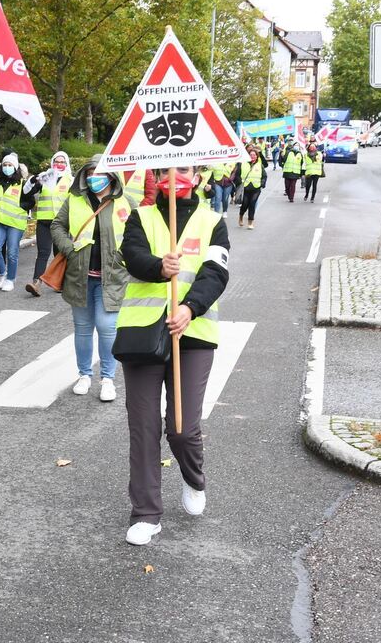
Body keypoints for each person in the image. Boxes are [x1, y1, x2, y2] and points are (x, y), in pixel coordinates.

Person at [116, 164, 230, 546]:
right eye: (166, 170)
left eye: (183, 169)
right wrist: (157, 267)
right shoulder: (141, 215)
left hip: (192, 333)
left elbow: (215, 272)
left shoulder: (212, 220)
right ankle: (146, 513)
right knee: (143, 426)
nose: (174, 175)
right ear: (156, 177)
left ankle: (194, 479)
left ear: (197, 176)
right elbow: (130, 255)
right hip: (143, 334)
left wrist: (190, 308)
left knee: (181, 429)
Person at [50, 155, 131, 403]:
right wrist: (70, 250)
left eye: (100, 174)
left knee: (107, 328)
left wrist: (122, 258)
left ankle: (107, 378)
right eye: (90, 174)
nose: (94, 178)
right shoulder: (74, 200)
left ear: (111, 177)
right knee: (83, 329)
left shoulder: (126, 203)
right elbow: (57, 226)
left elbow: (136, 234)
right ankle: (84, 374)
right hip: (80, 276)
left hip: (112, 277)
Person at [21, 150, 71, 297]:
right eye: (56, 161)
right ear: (52, 163)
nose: (59, 164)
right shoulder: (45, 177)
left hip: (61, 223)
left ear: (66, 164)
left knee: (59, 254)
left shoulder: (71, 180)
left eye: (62, 162)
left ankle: (60, 282)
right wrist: (32, 180)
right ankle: (36, 283)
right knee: (43, 253)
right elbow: (26, 192)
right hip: (44, 221)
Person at [0, 151, 27, 292]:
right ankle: (3, 273)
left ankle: (10, 279)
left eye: (10, 164)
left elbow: (30, 201)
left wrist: (21, 207)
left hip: (16, 224)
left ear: (15, 167)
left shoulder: (22, 184)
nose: (7, 167)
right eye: (4, 164)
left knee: (12, 252)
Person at [236, 148, 266, 229]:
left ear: (257, 156)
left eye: (254, 155)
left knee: (252, 204)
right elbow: (237, 175)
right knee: (245, 204)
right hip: (245, 188)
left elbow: (264, 176)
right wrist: (240, 183)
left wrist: (262, 184)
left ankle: (250, 222)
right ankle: (241, 216)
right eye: (251, 155)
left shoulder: (260, 165)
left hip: (256, 188)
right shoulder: (243, 163)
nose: (252, 156)